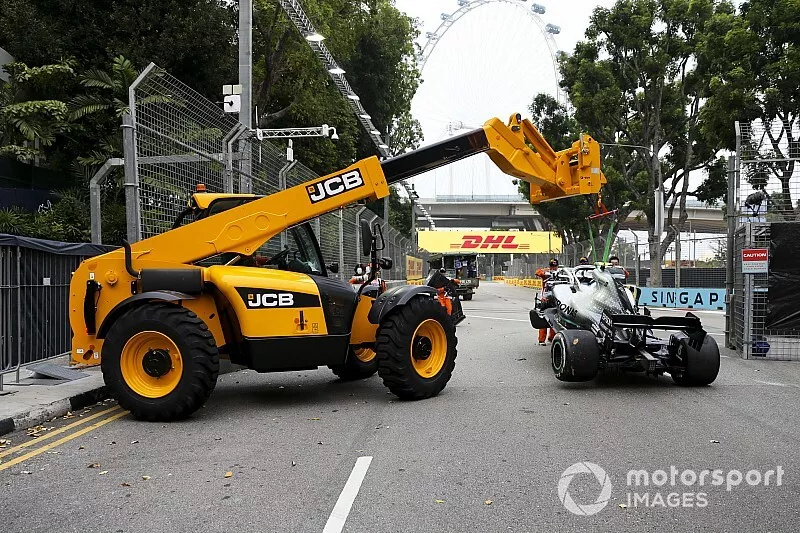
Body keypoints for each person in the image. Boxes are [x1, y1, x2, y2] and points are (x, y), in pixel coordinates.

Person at [535, 258, 559, 345]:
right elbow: (537, 272)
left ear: (557, 266)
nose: (553, 268)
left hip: (556, 298)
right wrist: (546, 272)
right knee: (543, 318)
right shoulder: (546, 273)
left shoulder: (560, 273)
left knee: (555, 318)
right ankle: (541, 339)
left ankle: (551, 338)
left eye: (555, 266)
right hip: (545, 298)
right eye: (552, 266)